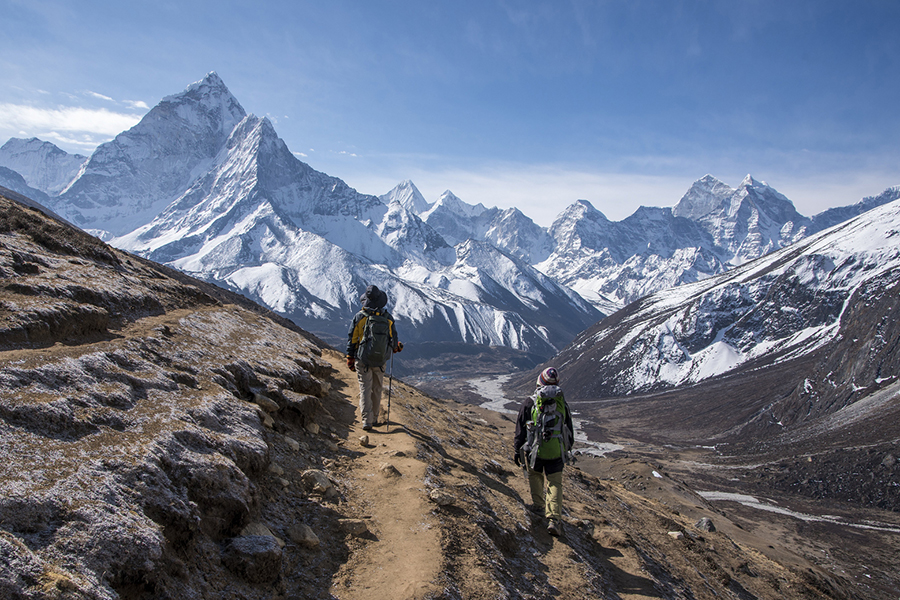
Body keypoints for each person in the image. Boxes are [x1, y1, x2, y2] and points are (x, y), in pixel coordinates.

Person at [513, 367, 574, 537]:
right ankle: (554, 519)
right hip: (556, 449)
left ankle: (539, 506)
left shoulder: (529, 402)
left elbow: (520, 429)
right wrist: (567, 447)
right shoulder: (562, 404)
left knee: (535, 475)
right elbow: (568, 427)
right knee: (555, 483)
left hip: (535, 450)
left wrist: (517, 450)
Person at [346, 285, 402, 431]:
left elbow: (352, 339)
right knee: (377, 389)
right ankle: (376, 418)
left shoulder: (360, 317)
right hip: (380, 360)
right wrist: (397, 347)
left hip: (362, 358)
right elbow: (394, 342)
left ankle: (367, 421)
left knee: (365, 388)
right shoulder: (388, 319)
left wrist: (350, 358)